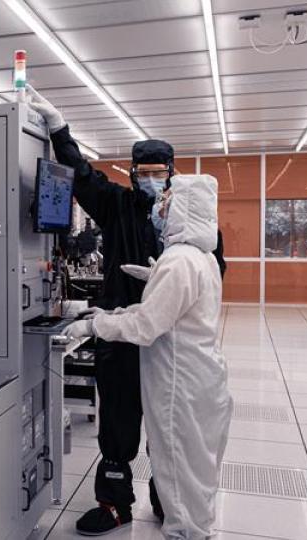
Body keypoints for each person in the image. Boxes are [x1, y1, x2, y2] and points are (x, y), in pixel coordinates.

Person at [27, 85, 226, 535]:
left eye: (160, 173)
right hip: (121, 337)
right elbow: (81, 175)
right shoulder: (119, 206)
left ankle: (166, 495)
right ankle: (115, 501)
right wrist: (60, 129)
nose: (152, 181)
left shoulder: (195, 231)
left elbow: (210, 281)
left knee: (168, 423)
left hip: (169, 346)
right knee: (118, 417)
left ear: (172, 175)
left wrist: (169, 291)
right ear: (133, 174)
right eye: (144, 172)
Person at [64, 174, 233, 540]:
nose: (161, 207)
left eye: (168, 202)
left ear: (184, 209)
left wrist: (97, 326)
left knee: (178, 474)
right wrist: (142, 291)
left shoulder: (179, 262)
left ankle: (187, 533)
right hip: (202, 380)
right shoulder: (201, 256)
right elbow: (173, 313)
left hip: (179, 388)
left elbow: (147, 327)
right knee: (194, 475)